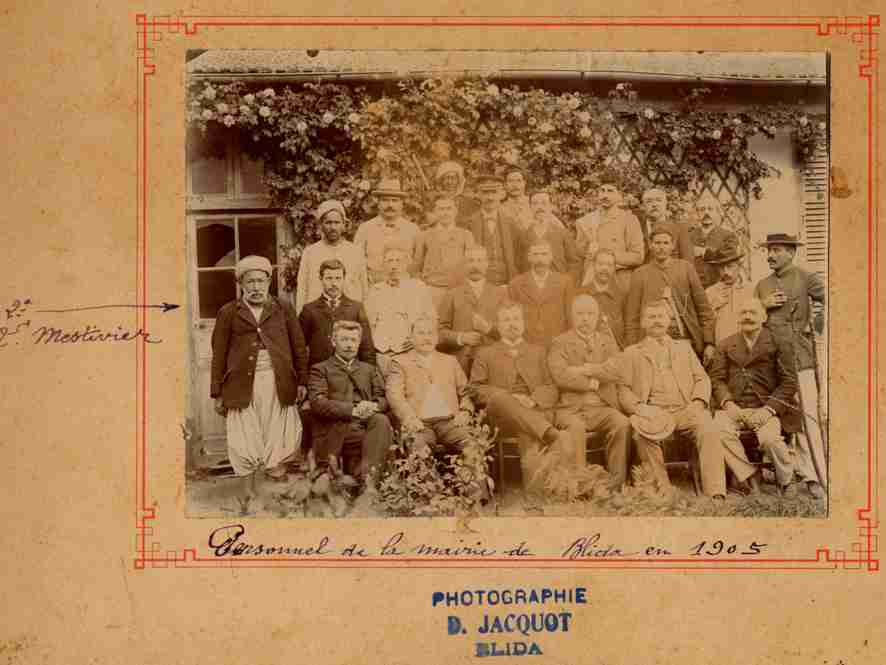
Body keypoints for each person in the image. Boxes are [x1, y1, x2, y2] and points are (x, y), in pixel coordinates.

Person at [210, 255, 308, 504]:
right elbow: (218, 354)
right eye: (250, 281)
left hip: (279, 383)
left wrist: (302, 382)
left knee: (279, 435)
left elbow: (298, 346)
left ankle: (277, 493)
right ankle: (248, 494)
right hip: (242, 386)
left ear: (269, 281)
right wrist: (217, 392)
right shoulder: (229, 312)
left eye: (260, 281)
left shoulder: (282, 308)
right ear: (241, 284)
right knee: (245, 438)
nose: (256, 287)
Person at [709, 298, 823, 498]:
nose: (747, 317)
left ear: (763, 317)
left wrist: (768, 409)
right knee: (716, 432)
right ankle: (750, 476)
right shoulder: (726, 344)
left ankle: (786, 479)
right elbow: (716, 379)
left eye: (753, 313)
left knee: (770, 440)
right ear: (738, 318)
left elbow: (789, 382)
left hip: (767, 408)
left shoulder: (779, 343)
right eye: (743, 313)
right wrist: (728, 403)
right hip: (735, 407)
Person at [617, 300, 728, 499]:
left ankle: (716, 492)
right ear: (642, 323)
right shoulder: (632, 353)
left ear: (669, 321)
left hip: (685, 410)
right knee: (641, 436)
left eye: (661, 316)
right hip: (653, 413)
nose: (656, 321)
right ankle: (663, 490)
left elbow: (702, 378)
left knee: (709, 428)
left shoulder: (683, 348)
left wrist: (698, 402)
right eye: (651, 317)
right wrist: (641, 409)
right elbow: (623, 390)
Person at [470, 302, 573, 495]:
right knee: (502, 398)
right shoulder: (485, 353)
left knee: (527, 430)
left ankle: (538, 495)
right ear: (498, 326)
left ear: (523, 323)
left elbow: (552, 387)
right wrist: (511, 398)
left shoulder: (538, 351)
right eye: (506, 320)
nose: (512, 324)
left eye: (516, 319)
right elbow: (475, 389)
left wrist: (532, 400)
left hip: (533, 414)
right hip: (502, 419)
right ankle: (551, 434)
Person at [754, 232, 828, 491]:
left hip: (800, 358)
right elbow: (751, 318)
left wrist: (818, 326)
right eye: (768, 250)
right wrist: (762, 305)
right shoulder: (762, 285)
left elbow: (832, 300)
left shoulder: (806, 278)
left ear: (791, 252)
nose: (770, 255)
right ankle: (787, 473)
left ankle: (813, 476)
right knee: (781, 416)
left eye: (777, 250)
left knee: (808, 417)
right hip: (773, 363)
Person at [386, 316, 487, 499]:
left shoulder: (449, 361)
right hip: (419, 423)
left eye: (430, 333)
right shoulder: (400, 363)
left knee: (471, 443)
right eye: (421, 333)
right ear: (411, 337)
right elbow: (394, 395)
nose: (426, 338)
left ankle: (476, 498)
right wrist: (409, 418)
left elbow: (466, 392)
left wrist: (465, 411)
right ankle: (431, 498)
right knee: (417, 446)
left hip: (449, 422)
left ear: (437, 337)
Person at [547, 295, 632, 489]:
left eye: (590, 314)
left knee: (622, 423)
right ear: (572, 316)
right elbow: (560, 375)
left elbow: (618, 370)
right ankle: (579, 486)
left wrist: (586, 369)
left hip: (602, 408)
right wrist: (593, 383)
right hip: (571, 409)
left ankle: (615, 484)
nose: (585, 319)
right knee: (575, 428)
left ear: (597, 316)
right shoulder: (560, 342)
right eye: (580, 314)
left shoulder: (607, 341)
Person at [308, 320, 393, 490]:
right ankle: (363, 484)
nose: (349, 345)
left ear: (359, 343)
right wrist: (353, 410)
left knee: (381, 420)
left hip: (366, 424)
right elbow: (318, 403)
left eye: (353, 340)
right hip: (336, 426)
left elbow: (383, 398)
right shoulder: (320, 369)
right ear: (333, 341)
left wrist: (373, 406)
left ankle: (368, 485)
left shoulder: (368, 369)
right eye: (344, 340)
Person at [625, 227, 716, 364]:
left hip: (685, 339)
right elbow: (632, 316)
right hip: (652, 343)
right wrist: (632, 347)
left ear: (672, 245)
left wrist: (709, 343)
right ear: (650, 245)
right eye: (657, 243)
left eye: (665, 243)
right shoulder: (640, 274)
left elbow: (704, 308)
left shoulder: (685, 268)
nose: (661, 247)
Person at [364, 241, 435, 377]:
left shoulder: (419, 288)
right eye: (390, 261)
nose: (394, 265)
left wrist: (417, 340)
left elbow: (430, 320)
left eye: (398, 260)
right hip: (381, 353)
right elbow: (368, 324)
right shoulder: (375, 290)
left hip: (410, 352)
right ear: (383, 265)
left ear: (406, 263)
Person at [437, 245, 509, 376]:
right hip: (461, 364)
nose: (475, 266)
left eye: (480, 261)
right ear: (464, 265)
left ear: (487, 264)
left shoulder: (500, 294)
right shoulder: (452, 294)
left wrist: (488, 329)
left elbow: (510, 332)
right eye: (471, 261)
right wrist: (461, 338)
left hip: (493, 364)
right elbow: (439, 332)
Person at [299, 259, 376, 370]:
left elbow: (366, 346)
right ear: (321, 279)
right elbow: (300, 348)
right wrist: (303, 378)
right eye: (329, 278)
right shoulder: (309, 310)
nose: (334, 283)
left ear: (344, 279)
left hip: (349, 372)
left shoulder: (356, 308)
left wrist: (370, 376)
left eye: (338, 278)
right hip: (319, 374)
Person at [294, 199, 367, 314]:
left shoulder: (356, 252)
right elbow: (302, 289)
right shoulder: (310, 252)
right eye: (328, 222)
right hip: (317, 316)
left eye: (337, 222)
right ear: (320, 225)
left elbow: (364, 288)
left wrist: (363, 316)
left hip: (349, 316)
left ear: (344, 224)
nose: (333, 227)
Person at [574, 176, 645, 292]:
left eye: (610, 191)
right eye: (602, 191)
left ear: (619, 196)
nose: (605, 195)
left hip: (619, 282)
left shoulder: (629, 220)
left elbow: (638, 256)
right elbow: (579, 255)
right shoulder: (586, 221)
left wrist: (606, 255)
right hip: (591, 282)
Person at [353, 178, 420, 285]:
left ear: (401, 204)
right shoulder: (365, 229)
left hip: (405, 288)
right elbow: (356, 262)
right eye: (385, 200)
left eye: (394, 200)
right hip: (373, 287)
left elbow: (418, 264)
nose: (390, 205)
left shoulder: (413, 230)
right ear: (378, 202)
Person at [412, 194, 475, 307]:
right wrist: (423, 287)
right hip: (432, 290)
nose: (445, 213)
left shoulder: (466, 235)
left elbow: (472, 265)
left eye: (449, 209)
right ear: (435, 212)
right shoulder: (424, 236)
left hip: (457, 289)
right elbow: (416, 267)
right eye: (441, 209)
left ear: (455, 212)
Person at [507, 240, 574, 346]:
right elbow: (510, 320)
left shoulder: (565, 282)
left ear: (551, 257)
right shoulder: (516, 284)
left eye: (544, 254)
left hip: (556, 343)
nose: (540, 259)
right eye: (535, 254)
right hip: (527, 344)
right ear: (529, 257)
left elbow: (570, 317)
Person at [464, 174, 520, 286]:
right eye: (485, 193)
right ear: (478, 195)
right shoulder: (469, 224)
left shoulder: (511, 223)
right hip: (480, 284)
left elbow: (518, 255)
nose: (490, 198)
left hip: (507, 283)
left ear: (501, 194)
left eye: (494, 192)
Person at [515, 190, 580, 277]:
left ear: (551, 206)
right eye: (535, 203)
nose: (539, 207)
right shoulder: (522, 235)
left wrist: (568, 283)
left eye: (544, 203)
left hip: (558, 284)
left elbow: (574, 263)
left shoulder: (563, 233)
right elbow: (518, 264)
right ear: (530, 207)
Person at [704, 238, 754, 345]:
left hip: (746, 347)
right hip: (721, 346)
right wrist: (710, 345)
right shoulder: (710, 292)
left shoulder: (751, 290)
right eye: (721, 268)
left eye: (730, 266)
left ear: (739, 266)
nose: (726, 272)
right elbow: (706, 323)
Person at [576, 248, 626, 349]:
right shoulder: (581, 294)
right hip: (588, 349)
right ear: (593, 265)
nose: (604, 268)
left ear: (614, 268)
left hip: (617, 348)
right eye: (601, 264)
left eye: (609, 265)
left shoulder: (622, 294)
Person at [689, 194, 738, 288]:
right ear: (697, 213)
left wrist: (705, 252)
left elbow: (729, 255)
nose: (706, 213)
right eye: (702, 209)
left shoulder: (728, 236)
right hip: (693, 288)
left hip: (718, 286)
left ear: (717, 212)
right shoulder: (689, 236)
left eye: (710, 209)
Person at [640, 188, 694, 263]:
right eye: (649, 201)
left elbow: (688, 262)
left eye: (659, 200)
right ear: (643, 206)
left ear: (666, 204)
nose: (654, 204)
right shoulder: (637, 228)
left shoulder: (680, 229)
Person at [434, 160, 480, 229]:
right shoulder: (433, 202)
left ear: (458, 181)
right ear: (441, 181)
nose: (449, 182)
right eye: (446, 178)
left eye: (453, 178)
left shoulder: (470, 203)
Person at [499, 166, 535, 233]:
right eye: (510, 181)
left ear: (524, 183)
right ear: (505, 185)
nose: (515, 185)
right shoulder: (500, 208)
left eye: (519, 181)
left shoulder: (534, 203)